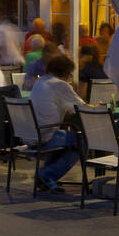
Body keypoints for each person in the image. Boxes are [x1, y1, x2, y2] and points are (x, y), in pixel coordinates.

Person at [29, 54, 90, 193]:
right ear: (65, 72)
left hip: (31, 134)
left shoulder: (40, 81)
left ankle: (45, 174)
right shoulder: (59, 84)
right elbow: (81, 108)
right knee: (83, 140)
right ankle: (47, 174)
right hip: (46, 134)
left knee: (69, 141)